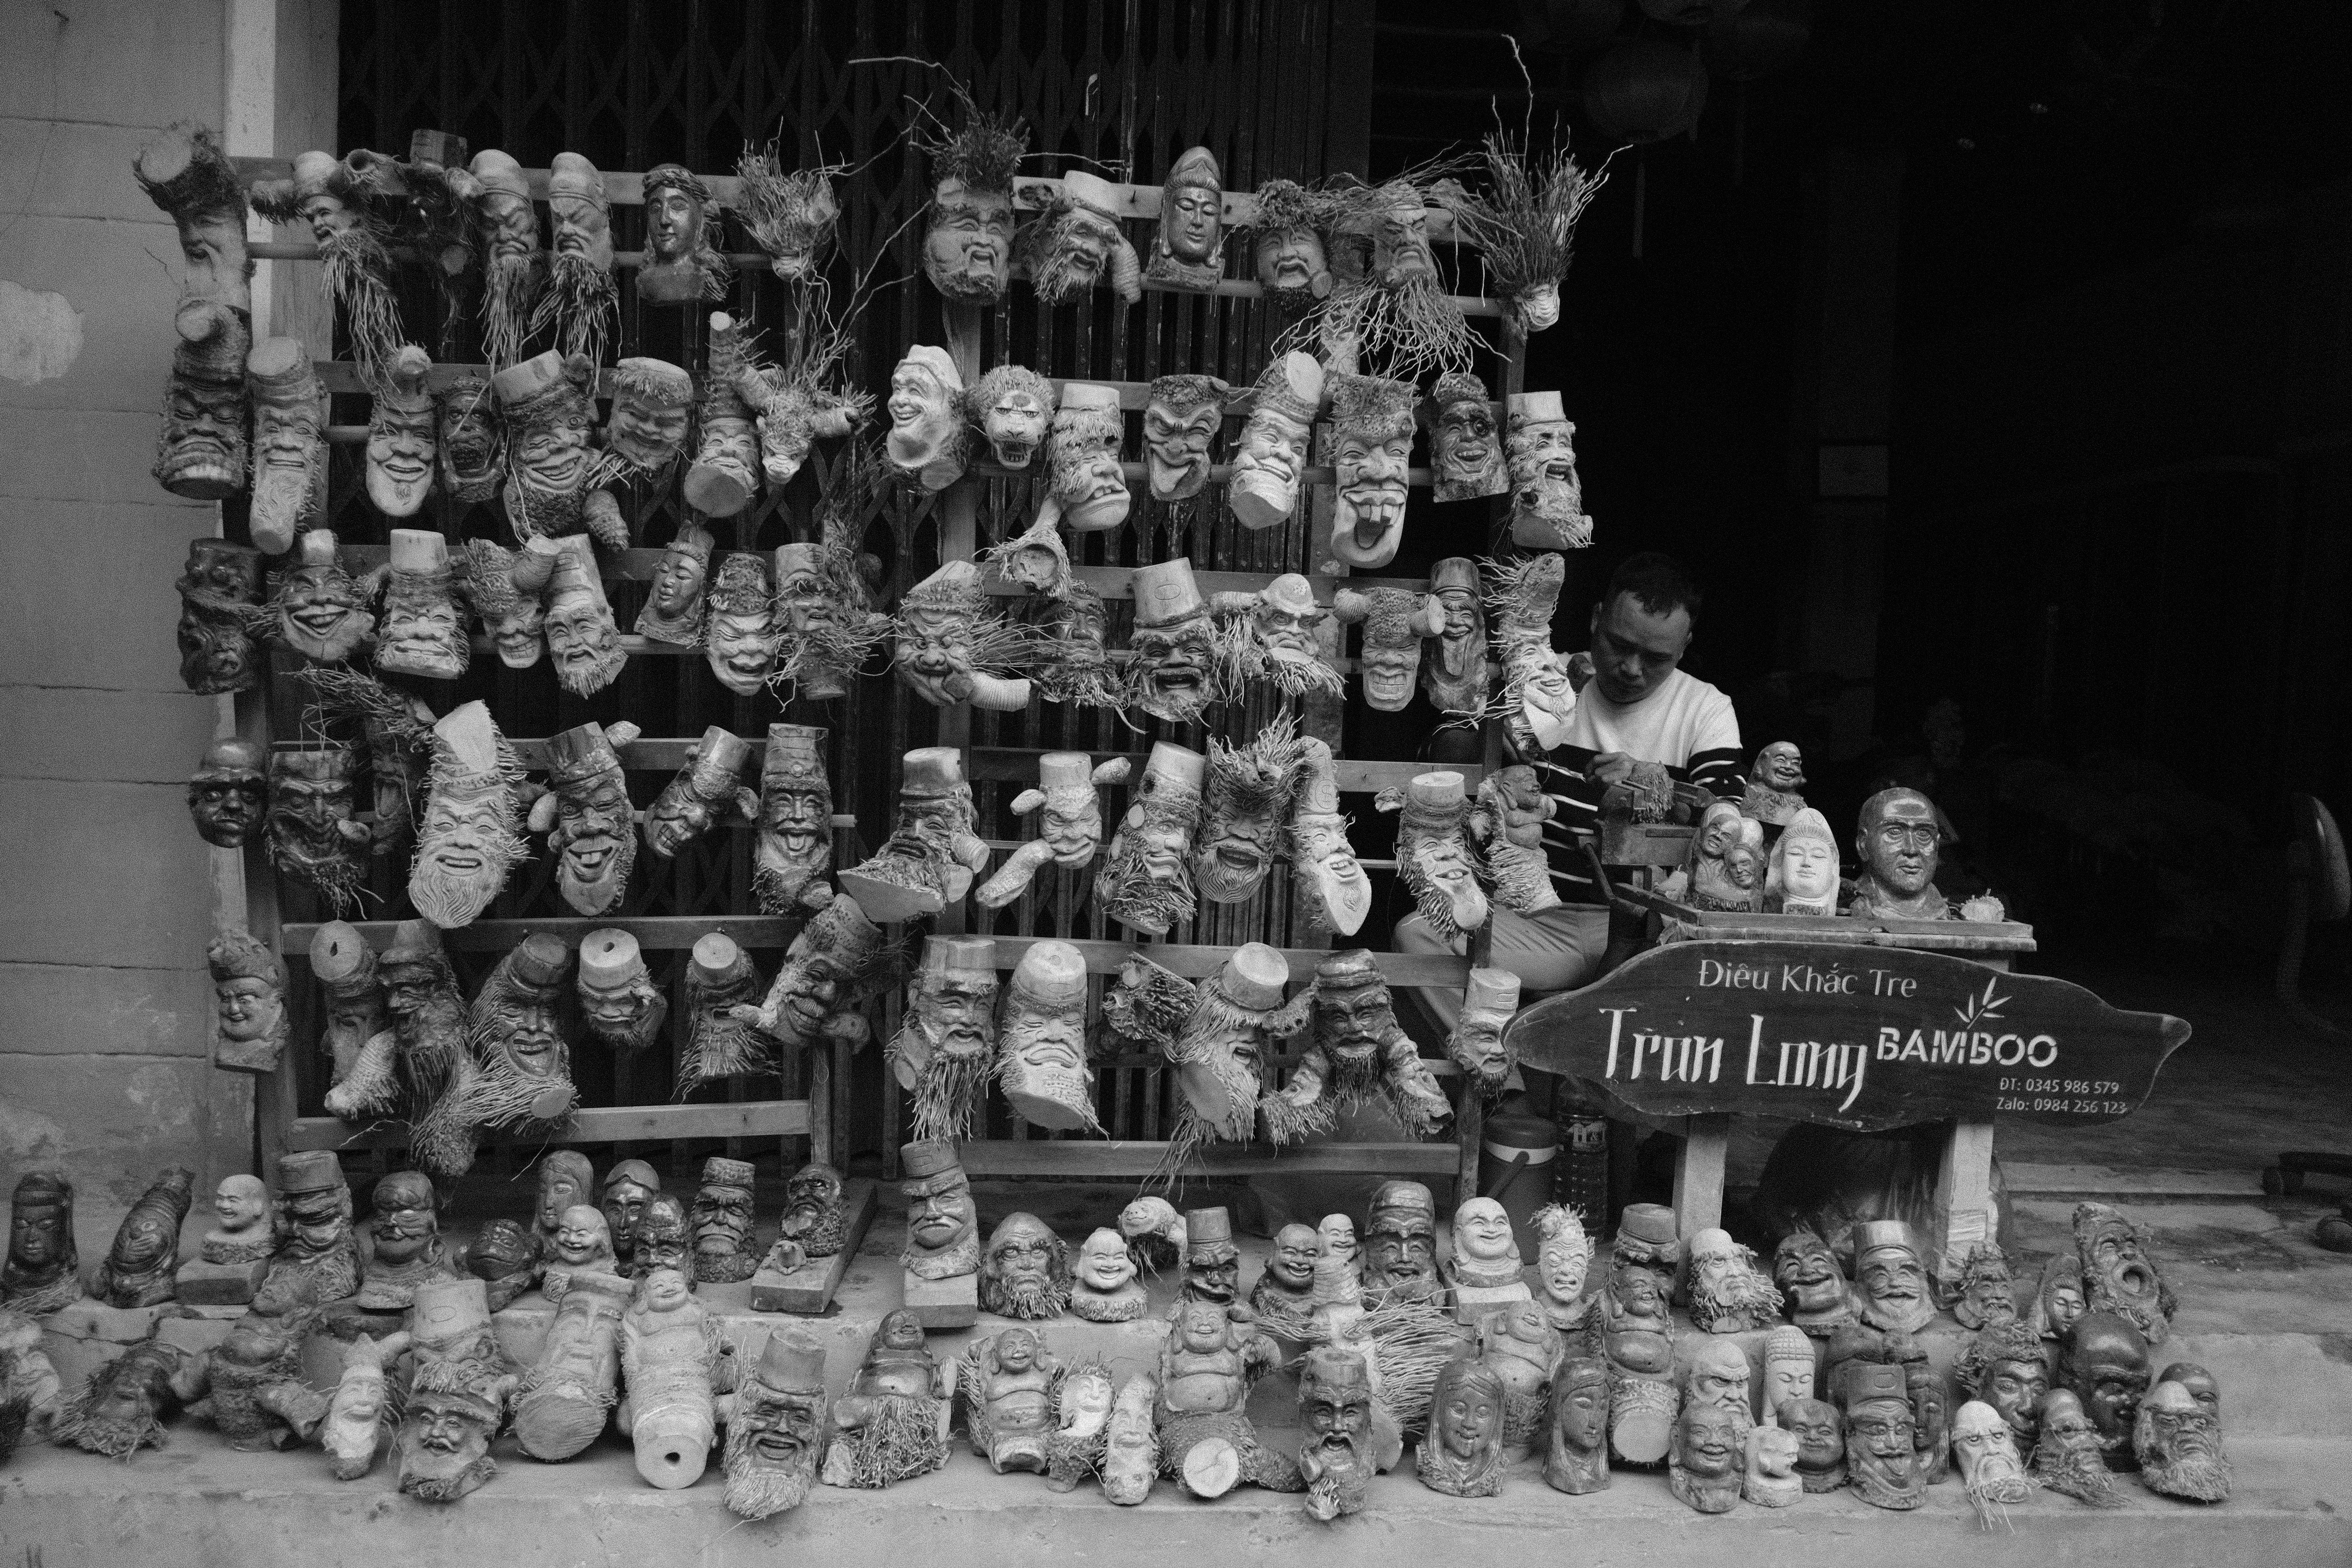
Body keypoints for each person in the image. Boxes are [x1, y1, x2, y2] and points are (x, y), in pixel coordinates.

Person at [1396, 552, 1743, 1024]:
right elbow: (1445, 744)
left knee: (1710, 968)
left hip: (1647, 931)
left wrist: (1652, 783)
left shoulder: (1705, 708)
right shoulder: (1541, 679)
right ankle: (1505, 1090)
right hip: (1533, 921)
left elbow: (1734, 832)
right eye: (1619, 645)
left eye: (1656, 658)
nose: (1632, 668)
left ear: (1685, 646)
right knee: (1419, 938)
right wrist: (1494, 745)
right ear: (1597, 619)